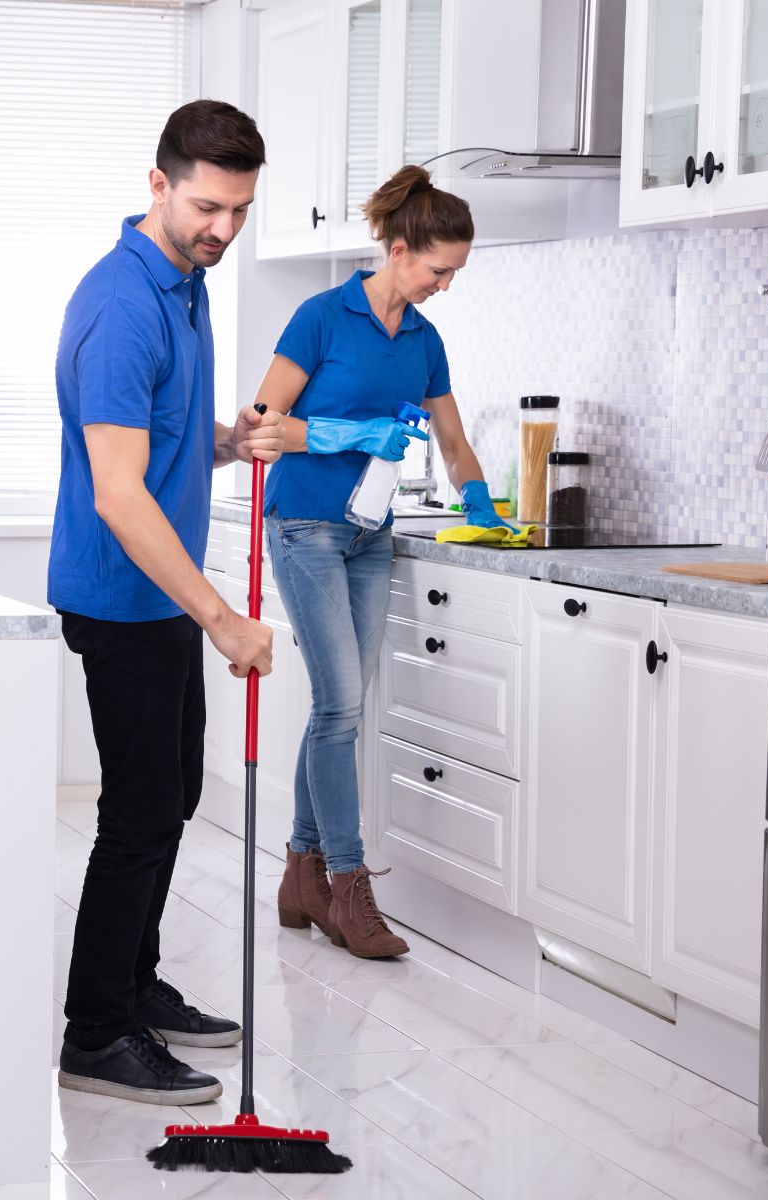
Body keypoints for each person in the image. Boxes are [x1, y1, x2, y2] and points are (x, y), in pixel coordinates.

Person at [48, 99, 279, 1107]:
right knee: (139, 813)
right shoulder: (123, 303)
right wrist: (221, 617)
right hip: (123, 596)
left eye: (238, 209)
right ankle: (97, 1031)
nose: (222, 228)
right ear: (157, 185)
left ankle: (134, 987)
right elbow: (117, 490)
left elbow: (159, 441)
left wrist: (230, 442)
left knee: (169, 798)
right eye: (205, 206)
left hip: (163, 601)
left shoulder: (186, 285)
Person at [241, 164, 513, 957]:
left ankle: (300, 870)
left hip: (369, 536)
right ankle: (348, 889)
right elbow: (263, 425)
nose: (445, 286)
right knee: (340, 710)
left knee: (343, 707)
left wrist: (479, 503)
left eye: (455, 273)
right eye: (438, 270)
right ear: (398, 251)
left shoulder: (425, 342)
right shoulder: (322, 317)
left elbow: (454, 441)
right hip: (305, 528)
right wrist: (348, 434)